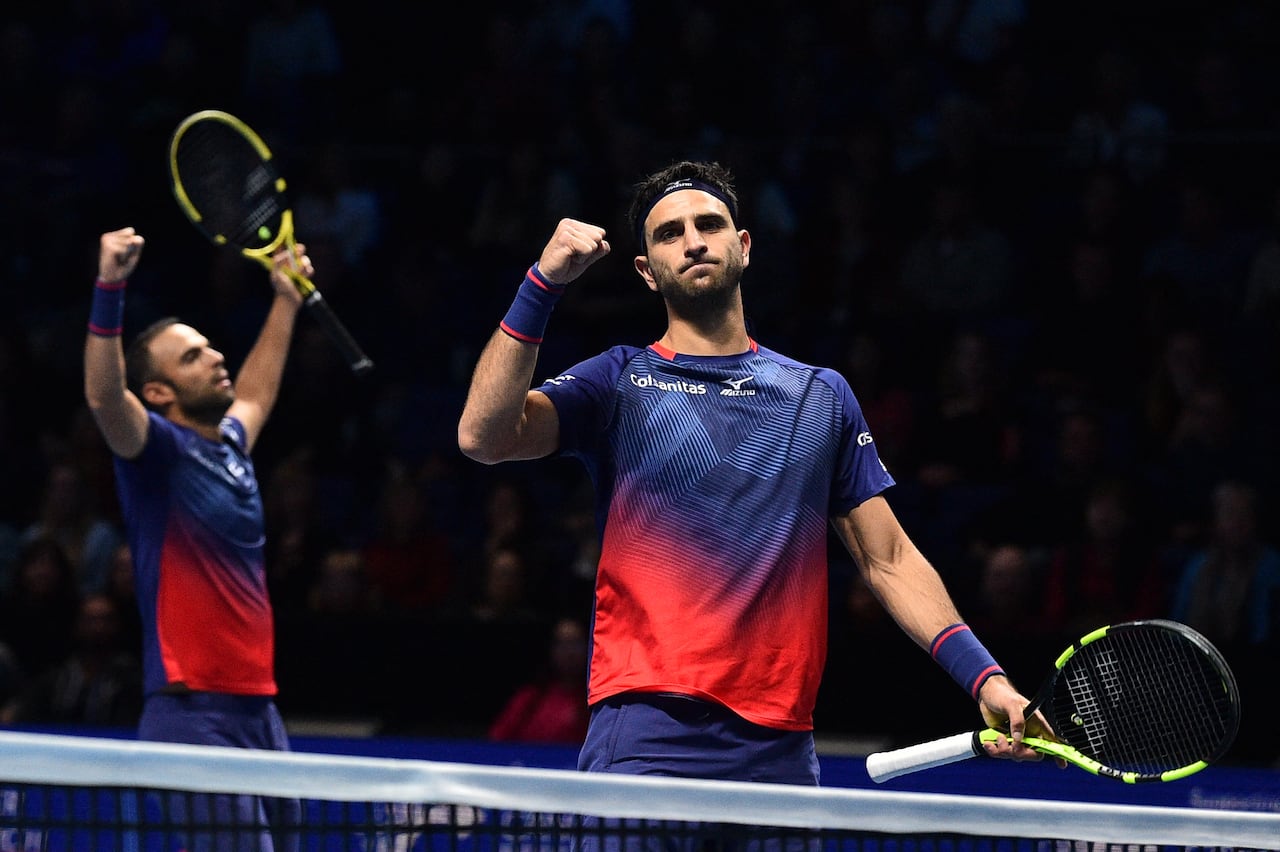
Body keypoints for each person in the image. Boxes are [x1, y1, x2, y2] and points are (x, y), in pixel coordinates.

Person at [457, 160, 1057, 785]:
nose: (693, 241)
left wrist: (987, 678)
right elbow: (484, 437)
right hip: (646, 737)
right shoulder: (617, 382)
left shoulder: (817, 396)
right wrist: (541, 284)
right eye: (669, 234)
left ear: (742, 246)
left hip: (782, 752)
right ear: (646, 271)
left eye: (709, 224)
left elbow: (890, 559)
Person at [83, 226, 304, 851]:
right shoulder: (156, 455)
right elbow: (103, 396)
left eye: (208, 348)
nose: (214, 357)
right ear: (158, 394)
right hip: (191, 716)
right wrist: (110, 288)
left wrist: (285, 299)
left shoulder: (231, 448)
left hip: (260, 712)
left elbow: (259, 390)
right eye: (191, 357)